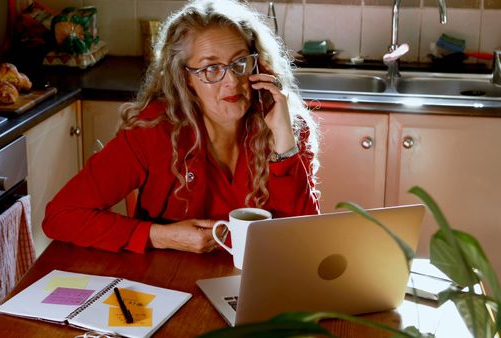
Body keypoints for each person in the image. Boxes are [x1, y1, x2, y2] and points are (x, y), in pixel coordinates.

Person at [42, 0, 320, 254]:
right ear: (185, 77)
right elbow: (61, 216)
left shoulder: (285, 126)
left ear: (257, 65)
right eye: (211, 68)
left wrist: (284, 142)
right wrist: (159, 236)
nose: (232, 82)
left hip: (260, 281)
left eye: (239, 63)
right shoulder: (152, 130)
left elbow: (306, 239)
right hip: (167, 286)